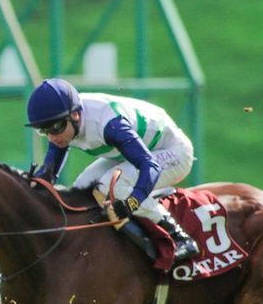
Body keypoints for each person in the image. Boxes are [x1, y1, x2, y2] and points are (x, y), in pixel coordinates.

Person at [25, 77, 200, 262]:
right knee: (80, 188)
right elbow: (47, 175)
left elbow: (150, 166)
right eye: (44, 131)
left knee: (113, 185)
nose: (52, 137)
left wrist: (132, 203)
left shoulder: (110, 125)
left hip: (173, 152)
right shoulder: (64, 121)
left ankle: (178, 236)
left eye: (55, 128)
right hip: (128, 153)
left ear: (75, 115)